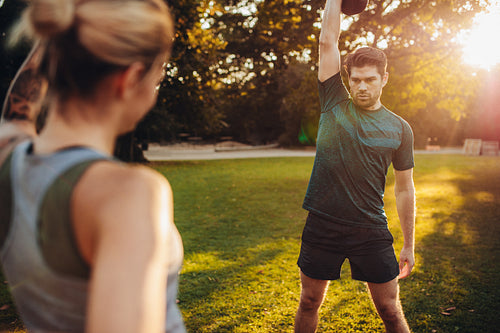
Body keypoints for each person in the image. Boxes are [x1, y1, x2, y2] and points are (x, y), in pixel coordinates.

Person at [0, 0, 186, 332]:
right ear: (129, 79)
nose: (155, 92)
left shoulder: (8, 156)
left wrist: (67, 31)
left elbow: (16, 111)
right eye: (157, 79)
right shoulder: (128, 195)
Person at [295, 1, 416, 332]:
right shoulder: (334, 102)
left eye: (370, 80)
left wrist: (408, 242)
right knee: (308, 302)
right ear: (348, 79)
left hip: (370, 229)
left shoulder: (400, 129)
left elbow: (405, 187)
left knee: (390, 309)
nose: (362, 87)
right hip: (323, 225)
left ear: (384, 79)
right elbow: (327, 42)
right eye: (357, 79)